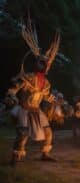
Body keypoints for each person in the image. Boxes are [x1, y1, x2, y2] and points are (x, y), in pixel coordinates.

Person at [4, 17, 61, 165]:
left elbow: (47, 96)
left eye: (46, 63)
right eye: (41, 62)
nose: (44, 65)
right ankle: (16, 157)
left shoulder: (46, 82)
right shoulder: (28, 77)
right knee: (23, 133)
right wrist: (11, 96)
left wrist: (57, 102)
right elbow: (14, 88)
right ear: (37, 63)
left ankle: (45, 154)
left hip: (36, 110)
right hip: (24, 109)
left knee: (48, 132)